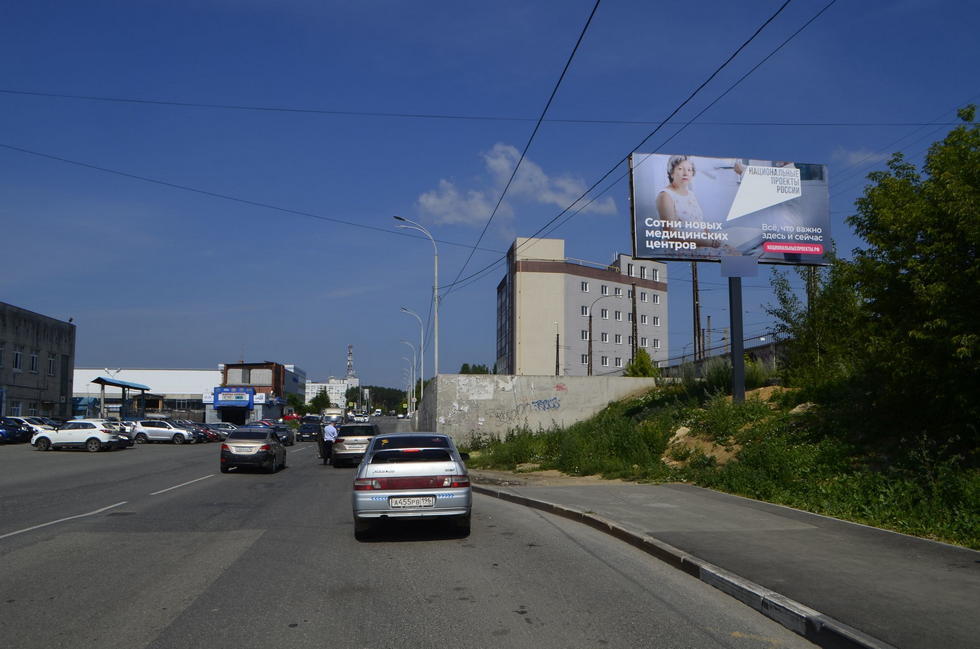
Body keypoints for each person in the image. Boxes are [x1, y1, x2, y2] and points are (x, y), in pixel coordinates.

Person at [655, 156, 725, 256]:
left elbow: (700, 223)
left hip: (701, 244)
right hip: (680, 247)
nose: (685, 173)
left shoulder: (690, 194)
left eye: (689, 170)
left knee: (734, 251)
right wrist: (707, 242)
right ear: (671, 172)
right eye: (680, 169)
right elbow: (671, 236)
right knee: (731, 256)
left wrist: (713, 238)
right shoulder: (665, 195)